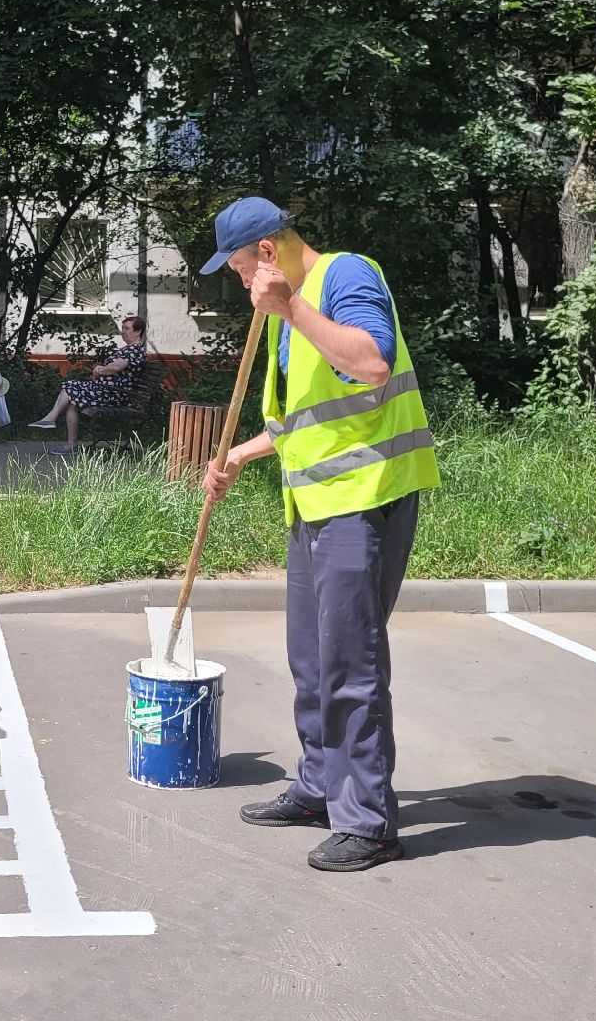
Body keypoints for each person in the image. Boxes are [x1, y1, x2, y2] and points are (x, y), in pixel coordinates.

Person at [198, 197, 440, 872]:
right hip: (315, 505)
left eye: (240, 269)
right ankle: (319, 787)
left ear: (267, 252)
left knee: (349, 664)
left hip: (364, 499)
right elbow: (307, 417)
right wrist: (240, 455)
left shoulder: (344, 276)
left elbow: (372, 363)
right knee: (310, 658)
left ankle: (369, 823)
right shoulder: (289, 312)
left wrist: (290, 310)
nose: (242, 283)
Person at [28, 315, 147, 455]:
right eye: (122, 328)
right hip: (106, 391)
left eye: (126, 328)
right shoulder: (130, 349)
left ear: (138, 331)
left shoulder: (135, 350)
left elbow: (116, 367)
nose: (123, 331)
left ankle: (52, 419)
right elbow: (114, 367)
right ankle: (69, 443)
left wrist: (99, 370)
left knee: (71, 386)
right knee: (72, 400)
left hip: (114, 395)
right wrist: (102, 369)